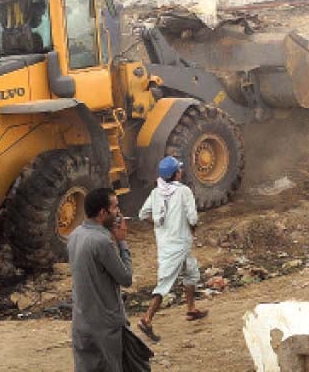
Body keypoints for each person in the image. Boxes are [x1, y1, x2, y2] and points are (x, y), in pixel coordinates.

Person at [137, 156, 207, 342]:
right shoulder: (184, 191)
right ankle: (147, 319)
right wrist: (193, 230)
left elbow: (142, 214)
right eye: (179, 169)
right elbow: (192, 217)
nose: (181, 171)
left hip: (167, 245)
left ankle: (191, 309)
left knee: (191, 272)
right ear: (176, 173)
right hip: (180, 243)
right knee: (164, 284)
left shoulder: (155, 193)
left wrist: (159, 224)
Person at [68, 187, 136, 372]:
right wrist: (122, 241)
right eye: (115, 208)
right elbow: (126, 278)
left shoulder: (74, 235)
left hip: (81, 323)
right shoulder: (102, 241)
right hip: (106, 327)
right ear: (102, 213)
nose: (119, 213)